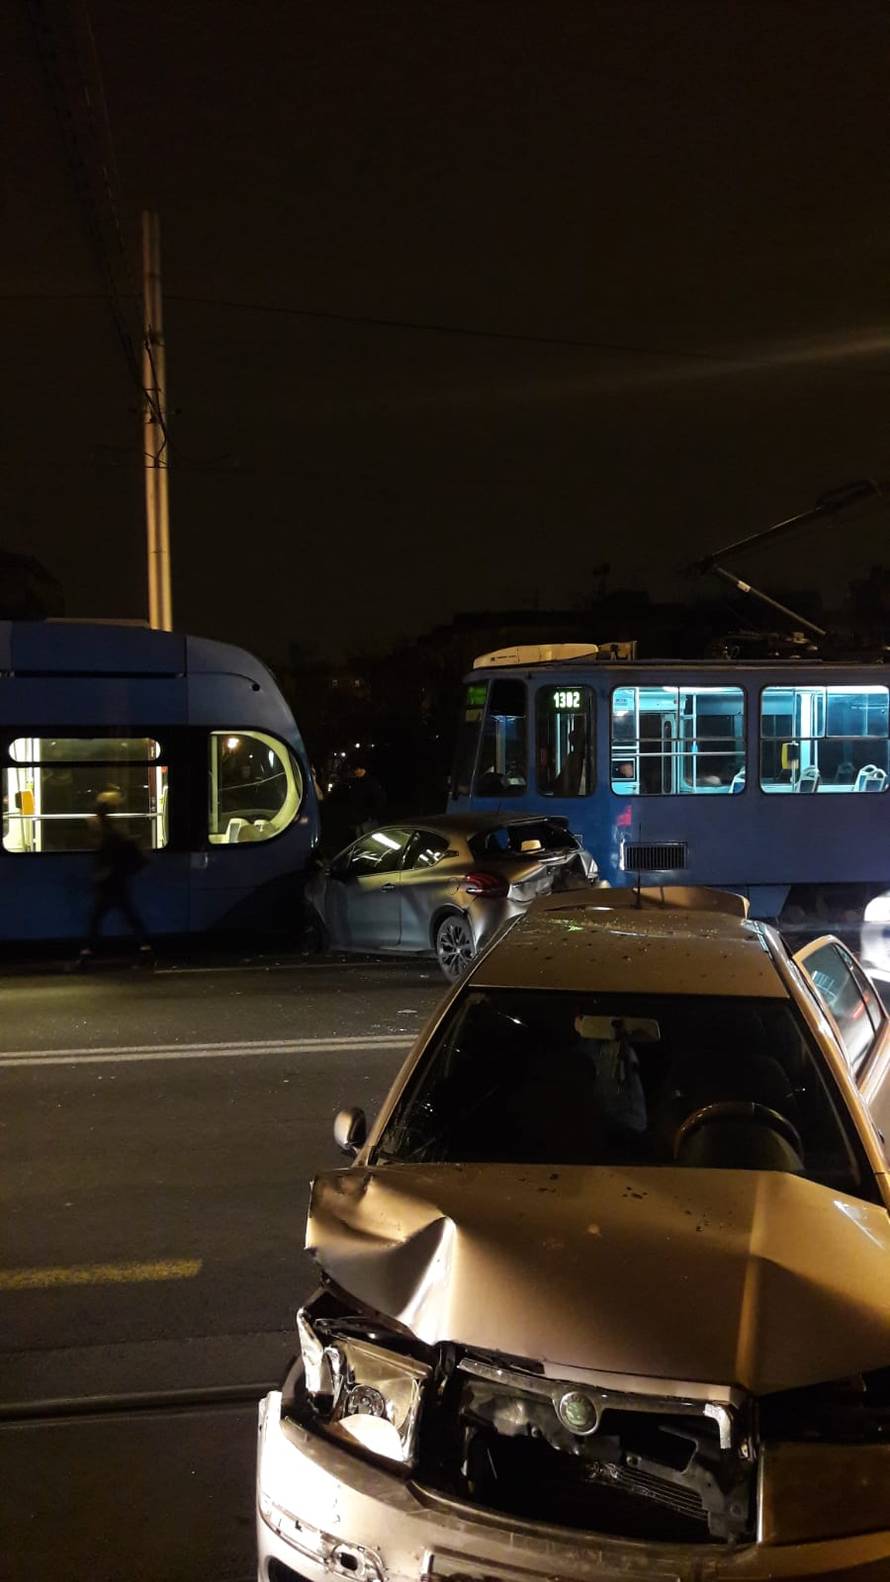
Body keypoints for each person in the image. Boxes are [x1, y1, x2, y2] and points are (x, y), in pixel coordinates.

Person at [74, 791, 151, 967]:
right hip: (118, 883)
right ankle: (145, 949)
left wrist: (102, 874)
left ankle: (86, 953)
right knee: (129, 917)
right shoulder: (115, 832)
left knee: (97, 919)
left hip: (110, 883)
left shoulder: (108, 834)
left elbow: (106, 858)